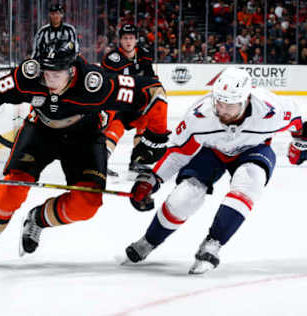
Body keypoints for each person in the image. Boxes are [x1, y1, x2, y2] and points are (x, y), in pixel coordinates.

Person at [0, 38, 168, 263]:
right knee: (10, 191)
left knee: (86, 204)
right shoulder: (31, 74)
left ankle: (37, 219)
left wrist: (155, 137)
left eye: (57, 73)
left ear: (72, 69)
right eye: (46, 71)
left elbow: (153, 92)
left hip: (84, 136)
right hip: (40, 131)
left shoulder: (95, 83)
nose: (50, 79)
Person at [123, 67, 306, 274]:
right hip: (212, 152)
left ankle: (213, 243)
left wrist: (301, 144)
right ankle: (149, 240)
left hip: (253, 150)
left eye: (230, 105)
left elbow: (302, 124)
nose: (222, 110)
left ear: (246, 100)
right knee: (184, 196)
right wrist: (152, 179)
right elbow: (177, 151)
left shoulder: (272, 109)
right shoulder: (199, 115)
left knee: (250, 182)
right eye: (219, 102)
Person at [101, 24, 164, 175]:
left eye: (131, 38)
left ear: (136, 40)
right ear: (120, 40)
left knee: (144, 122)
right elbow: (106, 84)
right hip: (117, 102)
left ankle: (138, 160)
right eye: (125, 38)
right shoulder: (112, 58)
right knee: (116, 128)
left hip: (136, 103)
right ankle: (101, 162)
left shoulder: (144, 54)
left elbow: (151, 80)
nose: (128, 41)